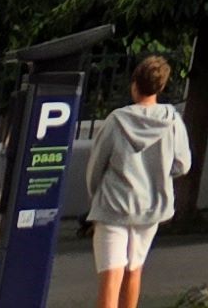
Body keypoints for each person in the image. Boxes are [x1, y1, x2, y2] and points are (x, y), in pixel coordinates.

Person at [71, 56, 191, 308]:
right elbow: (182, 164)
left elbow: (96, 167)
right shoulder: (172, 121)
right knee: (134, 271)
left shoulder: (116, 120)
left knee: (110, 278)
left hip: (114, 207)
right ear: (160, 86)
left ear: (135, 84)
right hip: (151, 209)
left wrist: (96, 200)